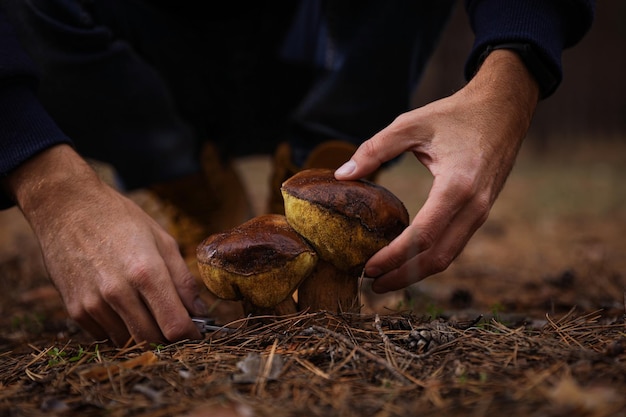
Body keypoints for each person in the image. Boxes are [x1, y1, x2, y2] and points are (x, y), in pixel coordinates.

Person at [0, 0, 595, 346]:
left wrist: (514, 71)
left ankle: (324, 170)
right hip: (142, 55)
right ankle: (179, 179)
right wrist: (46, 178)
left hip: (325, 44)